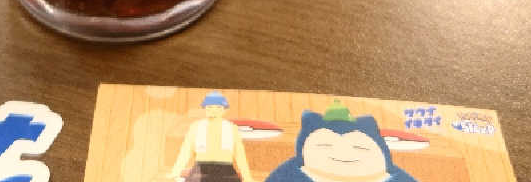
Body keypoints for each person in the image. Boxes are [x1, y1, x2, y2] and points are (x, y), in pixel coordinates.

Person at [264, 100, 419, 182]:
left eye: (360, 147)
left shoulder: (393, 177)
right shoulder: (291, 173)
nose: (343, 153)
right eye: (325, 145)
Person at [169, 92, 256, 182]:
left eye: (218, 107)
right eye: (210, 107)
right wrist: (175, 172)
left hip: (225, 171)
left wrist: (247, 177)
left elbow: (240, 155)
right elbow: (186, 151)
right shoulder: (196, 127)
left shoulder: (232, 128)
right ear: (205, 108)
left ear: (224, 110)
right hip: (200, 171)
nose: (214, 110)